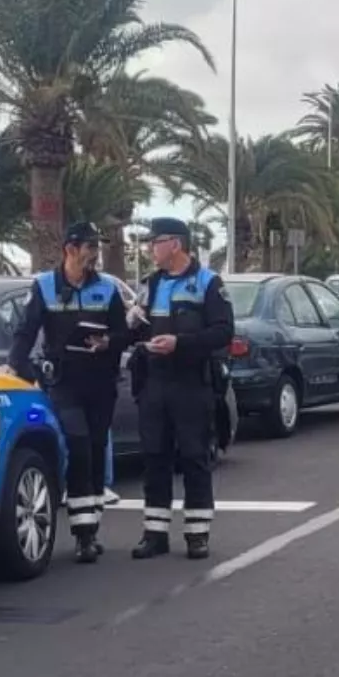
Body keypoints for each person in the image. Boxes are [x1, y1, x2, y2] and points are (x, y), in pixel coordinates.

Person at [8, 221, 128, 563]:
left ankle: (90, 528)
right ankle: (83, 535)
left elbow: (123, 334)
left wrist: (108, 341)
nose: (95, 254)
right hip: (64, 383)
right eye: (90, 248)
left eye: (97, 248)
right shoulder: (44, 286)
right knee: (78, 447)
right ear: (70, 249)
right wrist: (18, 368)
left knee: (94, 449)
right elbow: (25, 333)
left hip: (100, 383)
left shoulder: (107, 289)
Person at [127, 216, 233, 560]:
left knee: (193, 457)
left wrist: (181, 343)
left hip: (190, 383)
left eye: (154, 243)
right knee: (155, 457)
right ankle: (155, 534)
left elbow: (222, 332)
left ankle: (197, 534)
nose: (149, 249)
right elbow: (136, 331)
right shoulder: (150, 285)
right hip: (154, 383)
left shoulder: (207, 283)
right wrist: (131, 326)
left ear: (175, 244)